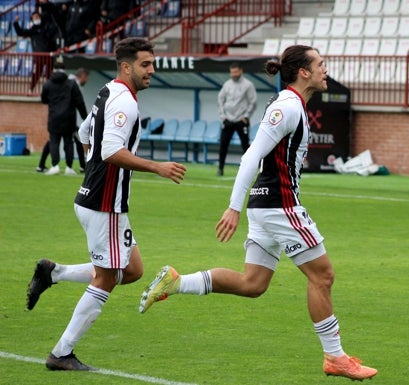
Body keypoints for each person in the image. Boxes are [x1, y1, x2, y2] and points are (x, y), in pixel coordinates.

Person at [139, 45, 377, 381]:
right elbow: (251, 156)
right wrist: (233, 207)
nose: (326, 69)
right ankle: (335, 358)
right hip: (280, 206)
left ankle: (178, 283)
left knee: (253, 284)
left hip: (266, 208)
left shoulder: (292, 105)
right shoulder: (287, 107)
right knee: (322, 276)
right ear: (303, 72)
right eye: (320, 64)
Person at [25, 38, 187, 371]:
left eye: (153, 64)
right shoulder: (125, 103)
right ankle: (62, 353)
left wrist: (93, 168)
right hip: (104, 205)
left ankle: (53, 273)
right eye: (145, 65)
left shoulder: (106, 92)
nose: (151, 71)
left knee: (133, 270)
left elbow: (85, 134)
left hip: (96, 199)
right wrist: (156, 166)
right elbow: (110, 151)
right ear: (126, 66)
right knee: (108, 277)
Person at [41, 56, 88, 176]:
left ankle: (55, 165)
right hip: (69, 117)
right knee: (69, 142)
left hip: (54, 117)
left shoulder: (48, 84)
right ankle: (69, 167)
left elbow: (44, 99)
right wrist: (85, 117)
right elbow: (79, 102)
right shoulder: (71, 84)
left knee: (54, 141)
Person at [216, 62, 257, 176]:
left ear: (240, 71)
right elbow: (220, 100)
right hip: (228, 120)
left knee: (245, 147)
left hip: (241, 120)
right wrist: (223, 117)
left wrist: (246, 116)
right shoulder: (227, 84)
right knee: (223, 145)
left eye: (236, 72)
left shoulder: (248, 85)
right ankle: (220, 169)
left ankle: (249, 170)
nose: (234, 74)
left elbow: (253, 102)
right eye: (232, 72)